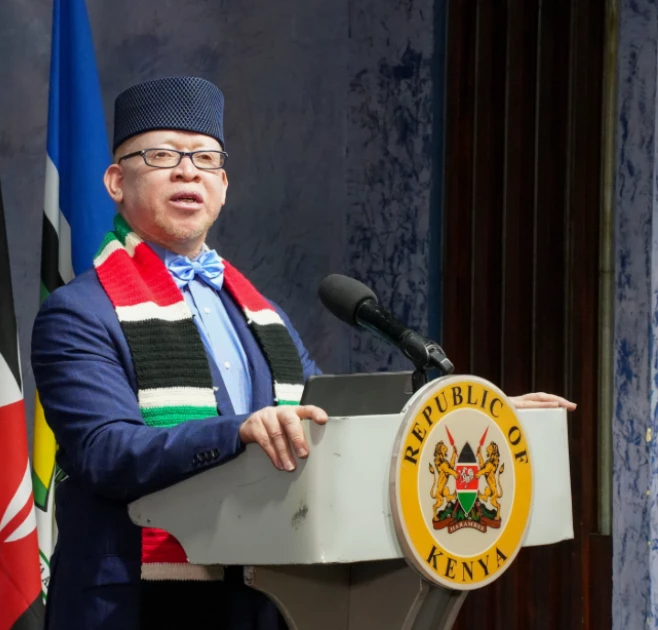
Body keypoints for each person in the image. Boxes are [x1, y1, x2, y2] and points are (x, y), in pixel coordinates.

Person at [29, 76, 575, 630]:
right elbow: (106, 451)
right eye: (163, 155)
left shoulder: (259, 312)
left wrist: (472, 416)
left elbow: (325, 418)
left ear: (223, 186)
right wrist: (239, 431)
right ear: (116, 181)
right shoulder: (79, 313)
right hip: (136, 601)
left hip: (261, 596)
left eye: (205, 158)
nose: (188, 171)